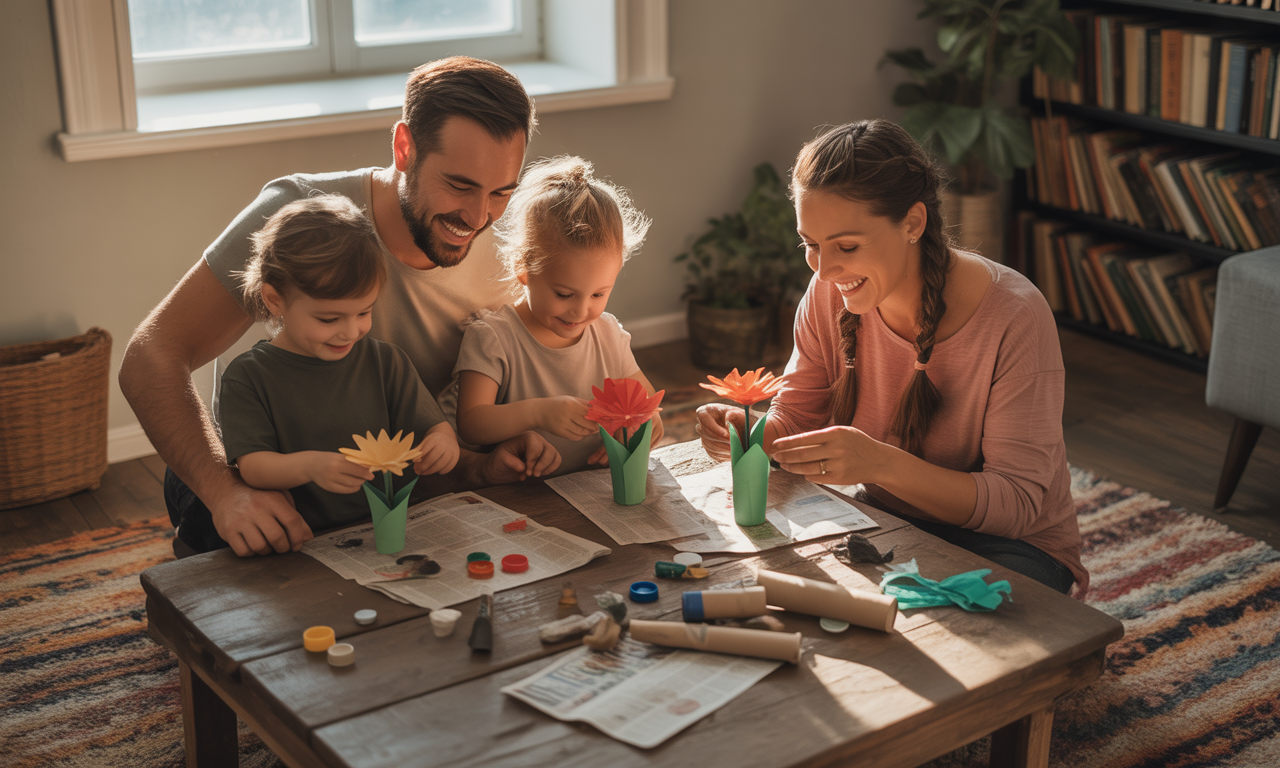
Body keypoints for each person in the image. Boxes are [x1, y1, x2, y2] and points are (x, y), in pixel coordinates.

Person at [119, 56, 558, 558]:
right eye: (459, 185)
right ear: (404, 148)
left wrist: (486, 463)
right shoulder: (302, 214)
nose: (479, 216)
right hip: (250, 469)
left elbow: (444, 423)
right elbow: (149, 356)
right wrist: (226, 493)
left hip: (373, 479)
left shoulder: (500, 256)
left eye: (501, 192)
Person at [695, 119, 1087, 596]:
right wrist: (749, 433)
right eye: (810, 245)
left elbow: (1015, 504)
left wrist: (881, 465)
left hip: (1012, 546)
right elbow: (797, 416)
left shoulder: (1014, 315)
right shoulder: (829, 295)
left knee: (961, 633)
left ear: (913, 224)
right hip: (889, 520)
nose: (824, 270)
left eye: (846, 246)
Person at [215, 195, 459, 542]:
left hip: (391, 531)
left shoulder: (386, 362)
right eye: (329, 318)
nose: (351, 331)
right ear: (275, 300)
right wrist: (312, 466)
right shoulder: (249, 377)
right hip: (306, 540)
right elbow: (253, 466)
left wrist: (442, 444)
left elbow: (436, 429)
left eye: (364, 312)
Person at [443, 156, 664, 473]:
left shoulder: (608, 334)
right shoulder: (492, 336)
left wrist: (647, 422)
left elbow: (646, 402)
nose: (581, 310)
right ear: (524, 268)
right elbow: (471, 423)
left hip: (595, 488)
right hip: (527, 495)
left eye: (599, 294)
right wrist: (539, 413)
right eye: (564, 294)